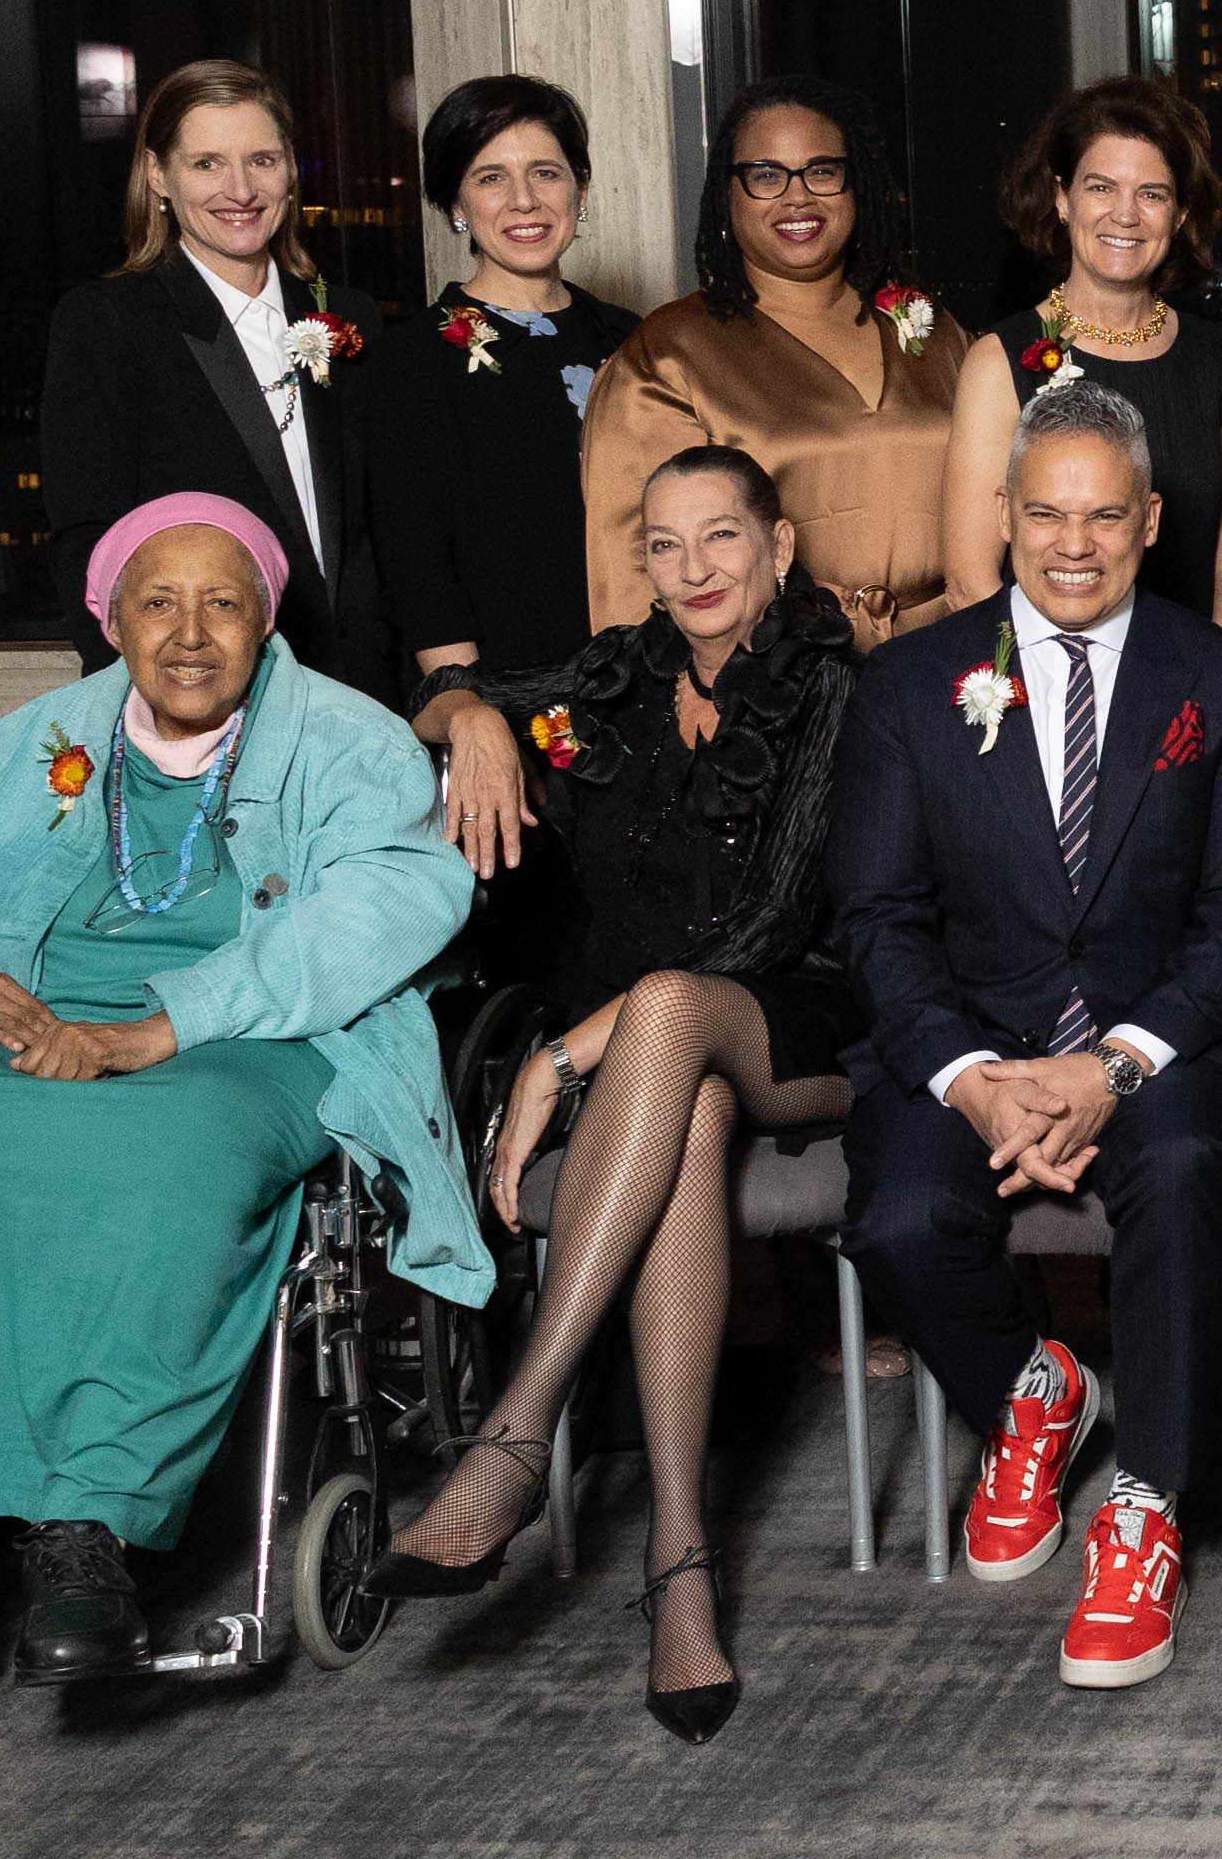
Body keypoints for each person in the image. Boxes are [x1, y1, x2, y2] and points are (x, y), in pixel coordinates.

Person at [0, 496, 485, 1689]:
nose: (190, 632)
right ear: (111, 620)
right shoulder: (30, 742)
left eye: (222, 602)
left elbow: (396, 899)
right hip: (32, 1027)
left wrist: (162, 1026)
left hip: (254, 1039)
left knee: (176, 1145)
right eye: (158, 601)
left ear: (267, 619)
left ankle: (89, 1534)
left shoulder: (349, 740)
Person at [360, 446, 864, 1737]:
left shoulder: (831, 683)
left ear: (779, 547)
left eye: (723, 539)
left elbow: (771, 917)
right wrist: (471, 714)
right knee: (682, 1106)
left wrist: (567, 1048)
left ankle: (518, 1424)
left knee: (672, 1012)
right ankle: (680, 1568)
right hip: (662, 1071)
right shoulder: (614, 674)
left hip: (799, 1020)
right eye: (665, 543)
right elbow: (413, 703)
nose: (694, 569)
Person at [829, 380, 1222, 1693]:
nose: (1072, 542)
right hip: (968, 1039)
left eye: (1103, 515)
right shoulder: (910, 682)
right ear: (1004, 516)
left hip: (1165, 1044)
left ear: (1150, 519)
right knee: (905, 1211)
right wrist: (974, 1082)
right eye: (1045, 513)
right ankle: (1030, 1391)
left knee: (1193, 1168)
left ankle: (1145, 1506)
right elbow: (874, 913)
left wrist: (1115, 1062)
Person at [375, 74, 641, 963]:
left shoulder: (640, 343)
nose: (524, 201)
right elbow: (419, 562)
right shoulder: (413, 360)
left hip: (651, 707)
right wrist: (467, 711)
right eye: (491, 177)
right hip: (515, 724)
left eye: (547, 173)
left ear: (581, 187)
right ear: (453, 200)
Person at [38, 56, 390, 696]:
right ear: (157, 176)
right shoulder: (109, 322)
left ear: (290, 170)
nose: (241, 189)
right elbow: (87, 539)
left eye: (262, 159)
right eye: (207, 164)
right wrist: (143, 703)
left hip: (360, 700)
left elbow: (379, 531)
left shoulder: (346, 317)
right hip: (203, 698)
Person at [583, 76, 973, 652]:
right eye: (766, 176)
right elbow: (634, 565)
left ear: (855, 186)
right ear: (727, 195)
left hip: (946, 663)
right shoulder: (669, 352)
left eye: (823, 171)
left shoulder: (932, 329)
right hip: (768, 677)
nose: (799, 198)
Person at [940, 75, 1222, 634]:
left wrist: (1219, 695)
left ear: (1181, 214)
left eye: (1152, 194)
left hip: (1191, 693)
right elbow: (970, 579)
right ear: (1062, 198)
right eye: (1101, 188)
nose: (1126, 215)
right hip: (1048, 694)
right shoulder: (1000, 361)